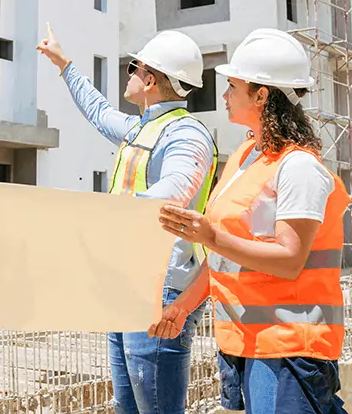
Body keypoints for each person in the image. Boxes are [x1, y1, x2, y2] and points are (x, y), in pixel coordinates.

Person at [148, 28, 349, 414]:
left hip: (289, 345)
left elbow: (290, 260)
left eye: (233, 86)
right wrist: (182, 307)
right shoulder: (244, 157)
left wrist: (211, 236)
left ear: (261, 95)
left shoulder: (299, 168)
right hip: (245, 341)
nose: (223, 95)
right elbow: (226, 256)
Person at [37, 25, 219, 414]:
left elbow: (175, 188)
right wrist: (64, 64)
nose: (129, 74)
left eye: (133, 68)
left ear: (150, 78)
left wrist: (103, 218)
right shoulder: (144, 128)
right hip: (127, 283)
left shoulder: (187, 134)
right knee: (128, 406)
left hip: (161, 289)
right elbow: (99, 113)